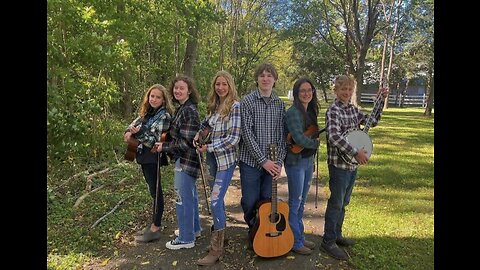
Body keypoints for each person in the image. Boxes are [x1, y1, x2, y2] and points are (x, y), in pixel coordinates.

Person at [321, 75, 388, 260]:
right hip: (339, 165)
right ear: (336, 91)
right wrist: (355, 151)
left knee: (344, 202)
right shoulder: (333, 110)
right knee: (336, 203)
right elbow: (334, 136)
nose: (347, 93)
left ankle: (337, 235)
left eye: (350, 90)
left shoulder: (353, 109)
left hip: (351, 165)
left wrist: (380, 100)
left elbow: (371, 122)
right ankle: (328, 241)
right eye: (343, 89)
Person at [193, 70, 241, 266]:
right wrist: (198, 136)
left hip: (226, 161)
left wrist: (209, 146)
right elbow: (206, 126)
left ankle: (216, 249)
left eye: (224, 84)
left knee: (214, 201)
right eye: (217, 84)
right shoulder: (213, 106)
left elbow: (234, 138)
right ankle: (222, 236)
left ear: (230, 86)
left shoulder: (235, 107)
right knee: (217, 201)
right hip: (212, 160)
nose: (220, 87)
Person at [239, 63, 287, 238]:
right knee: (250, 201)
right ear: (257, 79)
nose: (265, 78)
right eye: (262, 75)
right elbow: (246, 134)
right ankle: (254, 230)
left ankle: (264, 232)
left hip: (272, 163)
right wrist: (263, 161)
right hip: (251, 162)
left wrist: (278, 162)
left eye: (269, 75)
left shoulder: (280, 104)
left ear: (274, 79)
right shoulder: (247, 102)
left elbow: (283, 136)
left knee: (267, 201)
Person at [154, 75, 202, 250]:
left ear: (189, 90)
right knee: (191, 196)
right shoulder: (183, 108)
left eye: (182, 88)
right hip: (185, 160)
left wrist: (164, 147)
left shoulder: (189, 110)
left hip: (187, 160)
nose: (178, 91)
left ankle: (186, 238)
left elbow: (186, 142)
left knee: (183, 199)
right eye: (175, 88)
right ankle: (193, 229)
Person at [123, 84, 174, 243]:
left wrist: (138, 133)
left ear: (163, 100)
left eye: (158, 97)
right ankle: (153, 223)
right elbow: (131, 126)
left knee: (156, 191)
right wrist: (128, 132)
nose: (154, 99)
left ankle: (156, 227)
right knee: (152, 191)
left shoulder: (164, 116)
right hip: (142, 156)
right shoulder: (146, 113)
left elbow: (155, 141)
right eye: (152, 96)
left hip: (153, 157)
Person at [284, 77, 320, 255]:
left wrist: (313, 143)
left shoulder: (310, 111)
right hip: (295, 163)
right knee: (295, 202)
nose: (306, 93)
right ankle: (295, 242)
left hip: (307, 161)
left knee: (302, 202)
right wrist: (316, 144)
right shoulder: (293, 112)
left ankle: (299, 236)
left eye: (309, 90)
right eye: (302, 91)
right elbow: (298, 138)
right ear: (297, 94)